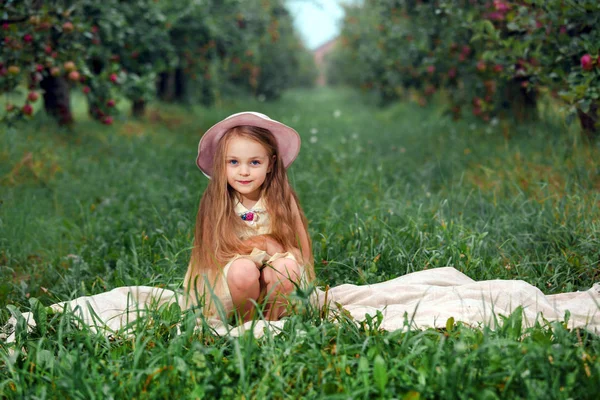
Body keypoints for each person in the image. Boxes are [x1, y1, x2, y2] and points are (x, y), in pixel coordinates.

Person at [184, 112, 314, 323]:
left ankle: (270, 323)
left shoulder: (281, 197)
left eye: (254, 163)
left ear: (270, 164)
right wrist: (262, 243)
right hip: (233, 284)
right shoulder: (216, 199)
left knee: (287, 268)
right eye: (233, 162)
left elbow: (303, 251)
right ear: (221, 163)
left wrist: (277, 249)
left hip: (276, 285)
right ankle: (247, 323)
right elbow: (212, 254)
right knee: (243, 270)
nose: (243, 172)